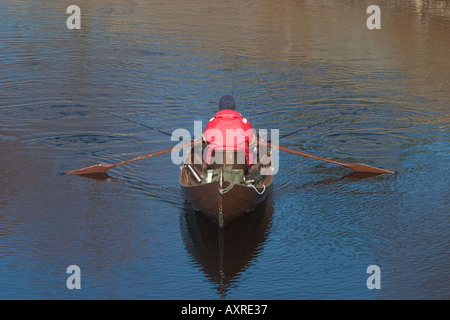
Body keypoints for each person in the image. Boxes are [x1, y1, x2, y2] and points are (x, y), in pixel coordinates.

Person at [202, 95, 255, 166]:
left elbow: (204, 140)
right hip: (241, 165)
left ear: (219, 108)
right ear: (235, 108)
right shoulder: (245, 123)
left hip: (214, 164)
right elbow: (251, 143)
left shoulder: (211, 123)